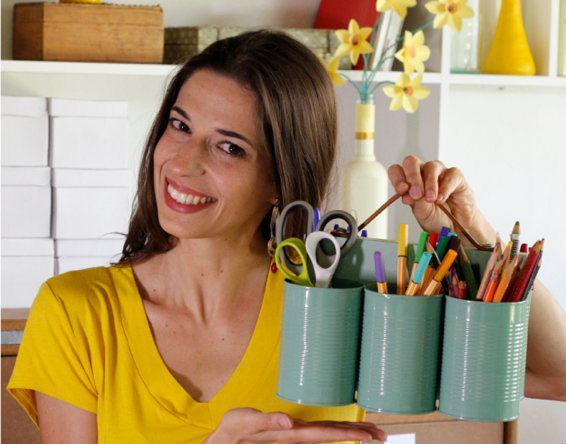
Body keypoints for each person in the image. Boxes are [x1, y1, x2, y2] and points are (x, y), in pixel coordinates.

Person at [7, 30, 566, 444]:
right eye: (180, 126)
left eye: (229, 147)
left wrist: (473, 234)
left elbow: (556, 375)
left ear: (280, 180)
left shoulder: (340, 296)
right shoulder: (77, 313)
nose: (183, 162)